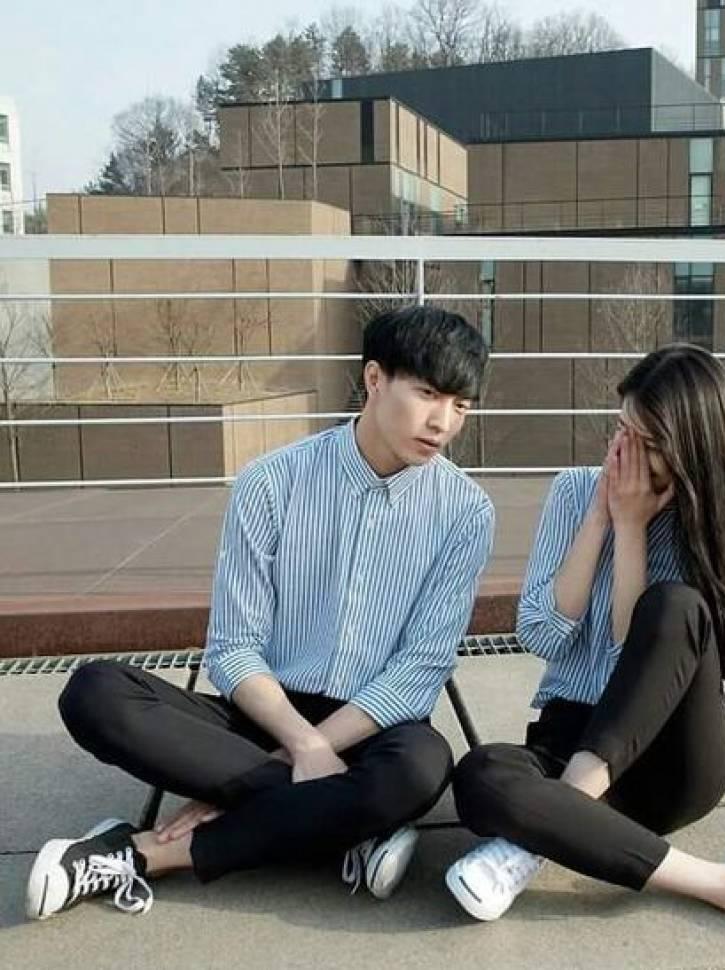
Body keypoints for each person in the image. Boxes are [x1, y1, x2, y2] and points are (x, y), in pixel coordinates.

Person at [27, 305, 495, 921]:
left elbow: (419, 669)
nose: (443, 422)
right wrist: (298, 745)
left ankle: (143, 853)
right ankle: (347, 826)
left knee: (420, 769)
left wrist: (303, 756)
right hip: (261, 715)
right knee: (96, 693)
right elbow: (233, 647)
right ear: (374, 378)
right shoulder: (272, 482)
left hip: (374, 731)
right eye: (428, 394)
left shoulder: (465, 512)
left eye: (460, 406)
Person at [446, 344, 725, 934]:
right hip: (567, 735)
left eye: (649, 442)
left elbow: (627, 661)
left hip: (668, 760)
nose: (624, 453)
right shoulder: (573, 491)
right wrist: (600, 518)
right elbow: (540, 634)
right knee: (479, 776)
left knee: (674, 605)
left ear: (692, 450)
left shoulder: (714, 530)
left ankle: (543, 829)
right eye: (621, 428)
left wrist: (632, 528)